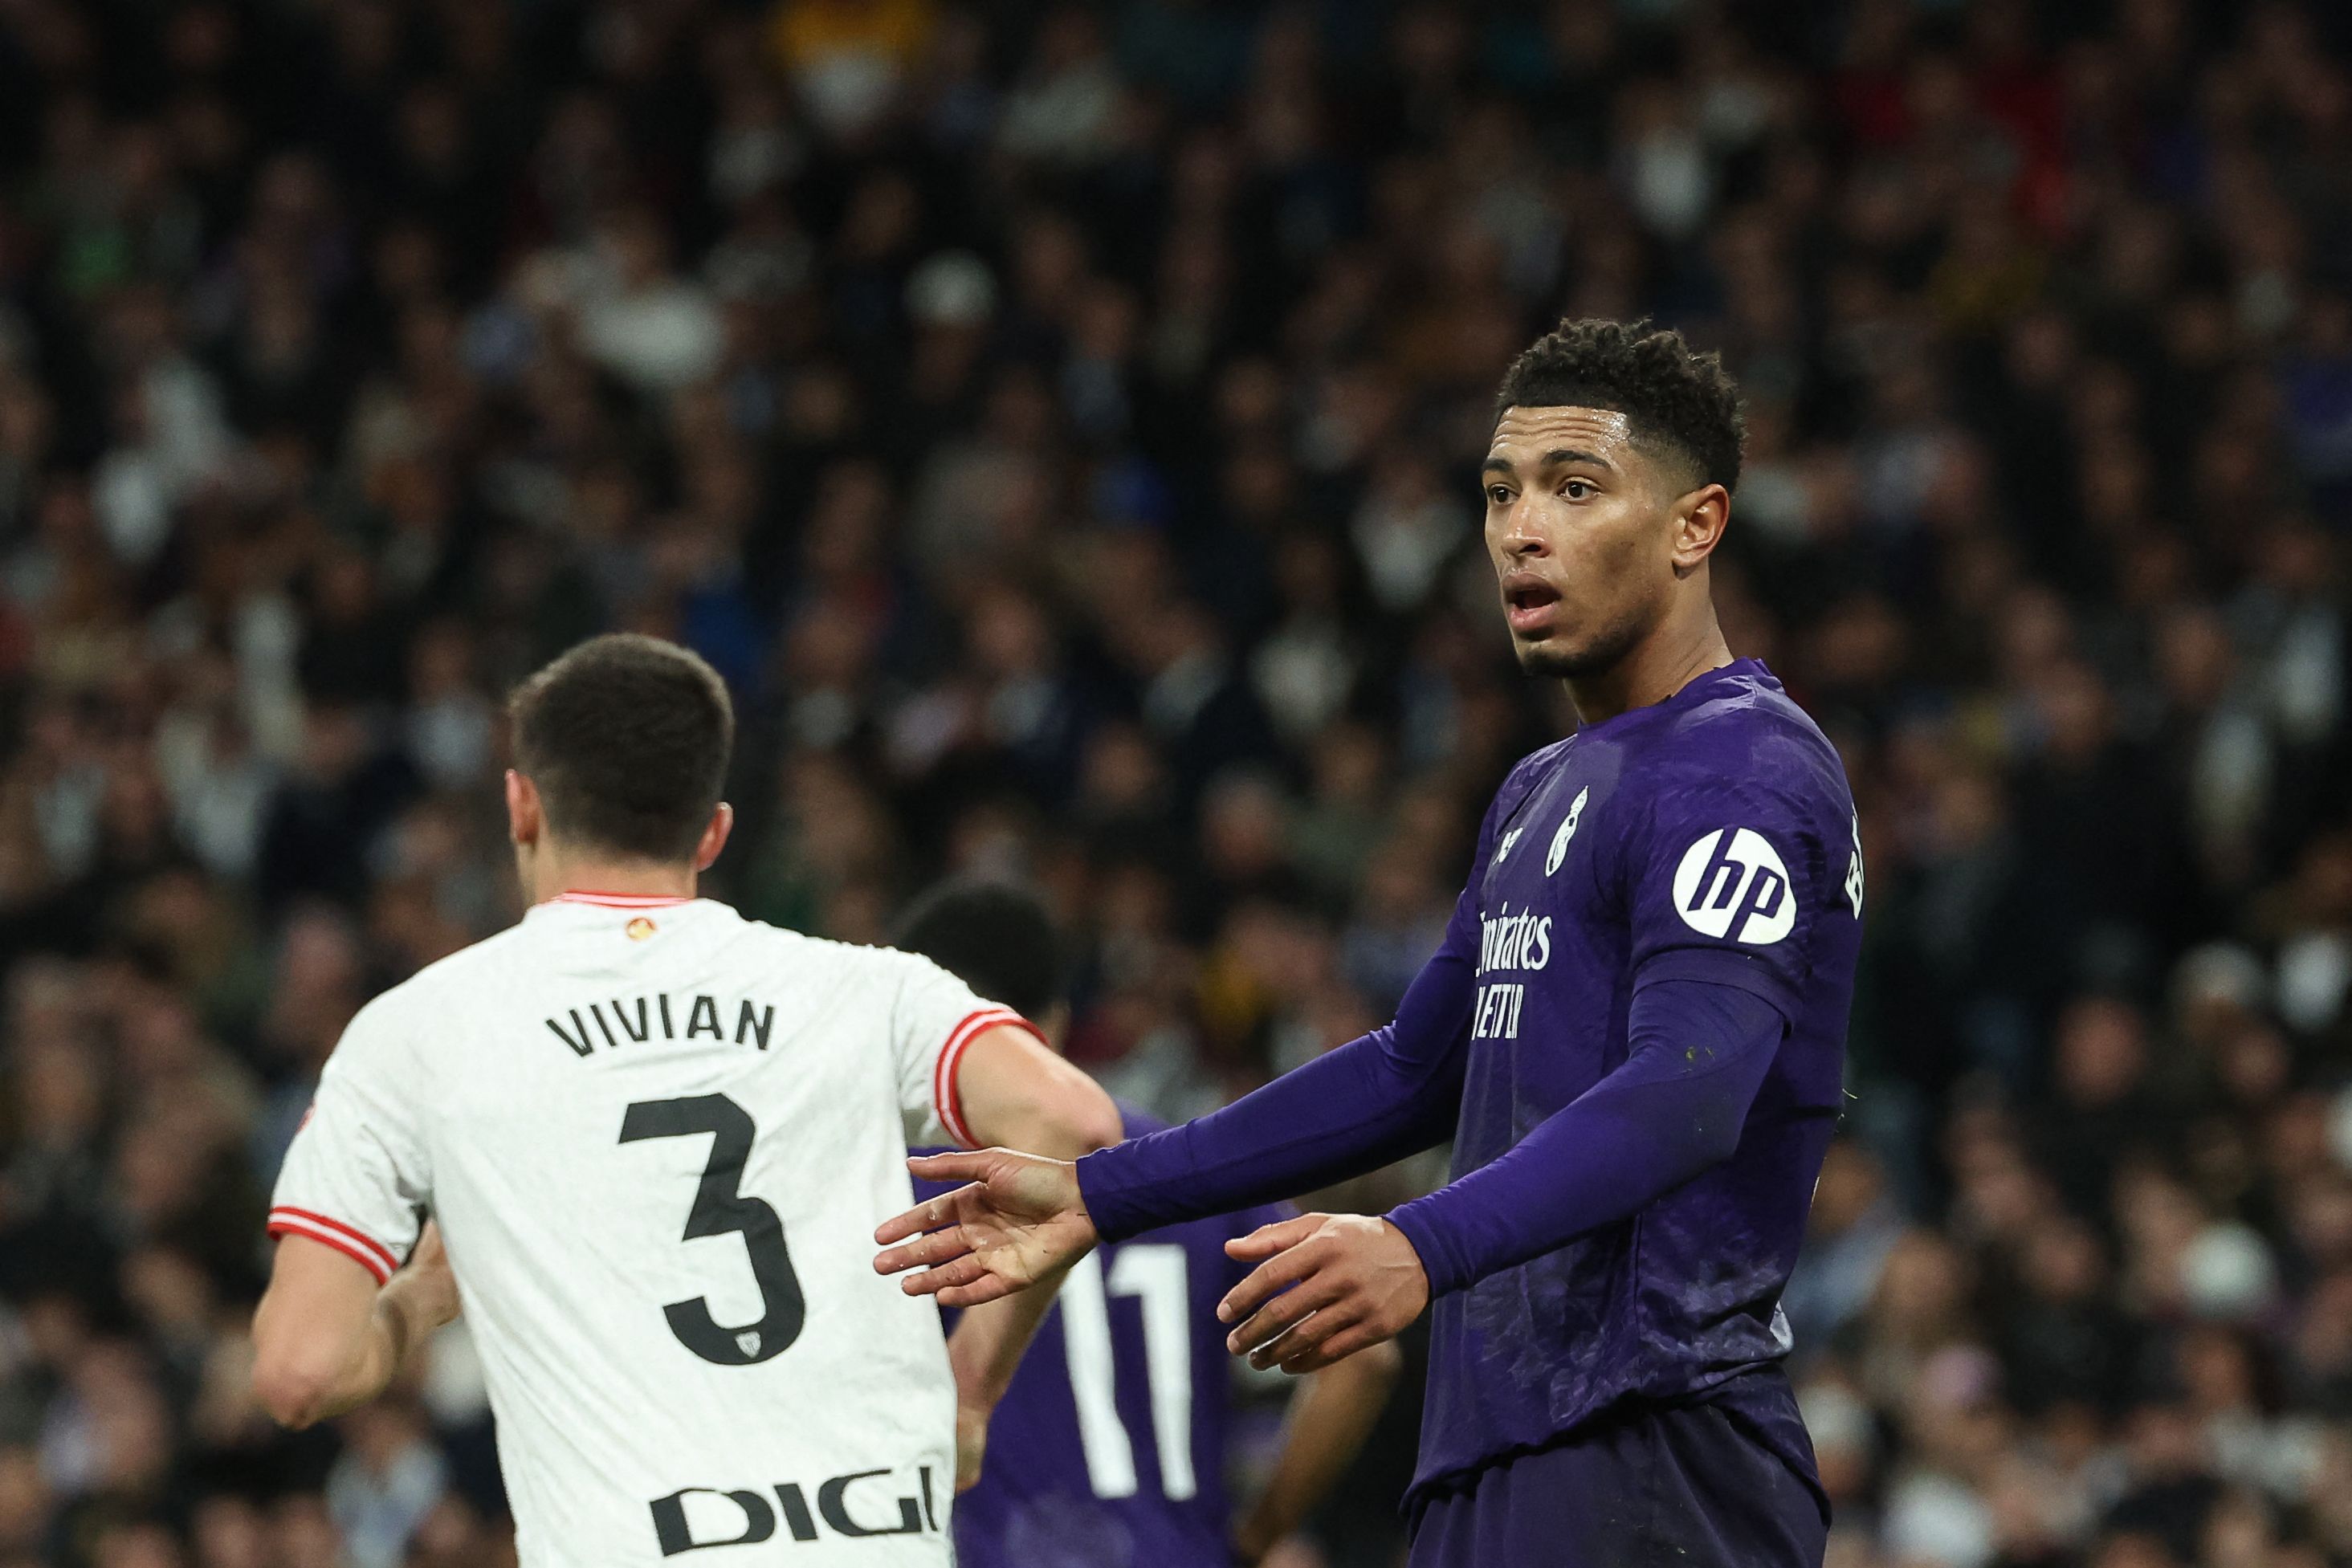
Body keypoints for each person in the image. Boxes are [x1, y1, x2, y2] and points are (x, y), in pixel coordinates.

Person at [874, 319, 1862, 1567]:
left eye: (1574, 488)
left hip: (1652, 1439)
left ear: (1694, 525)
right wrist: (1094, 1192)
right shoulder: (1540, 789)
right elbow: (1412, 1070)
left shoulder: (1743, 765)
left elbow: (1689, 1092)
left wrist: (1416, 1242)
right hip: (1496, 1446)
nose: (1519, 529)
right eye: (1500, 493)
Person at [249, 633, 1121, 1566]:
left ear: (521, 806)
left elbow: (302, 1370)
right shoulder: (870, 991)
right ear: (712, 829)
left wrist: (419, 1302)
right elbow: (1075, 1124)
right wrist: (973, 1383)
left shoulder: (416, 1032)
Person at [893, 880, 1399, 1567]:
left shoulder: (913, 1177)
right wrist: (1256, 1537)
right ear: (1059, 1021)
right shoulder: (1176, 1165)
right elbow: (1364, 1360)